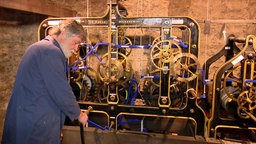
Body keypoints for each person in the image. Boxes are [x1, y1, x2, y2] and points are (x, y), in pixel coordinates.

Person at [2, 19, 88, 144]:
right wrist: (78, 114)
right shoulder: (49, 51)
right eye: (75, 42)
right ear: (64, 33)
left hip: (30, 118)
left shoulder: (42, 47)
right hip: (34, 124)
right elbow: (61, 91)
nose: (76, 49)